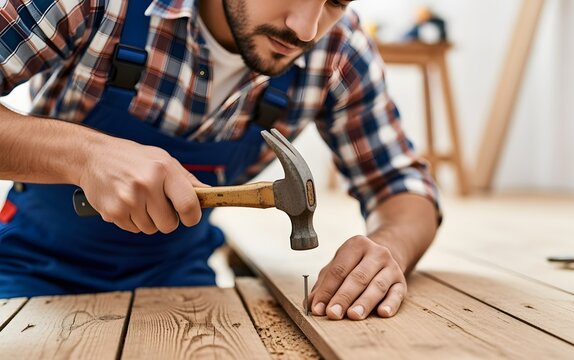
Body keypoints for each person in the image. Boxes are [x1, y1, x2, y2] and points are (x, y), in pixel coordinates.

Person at [0, 0, 441, 321]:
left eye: (335, 1)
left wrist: (392, 249)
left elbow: (401, 183)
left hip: (176, 274)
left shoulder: (338, 50)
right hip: (31, 264)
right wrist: (85, 154)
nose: (305, 29)